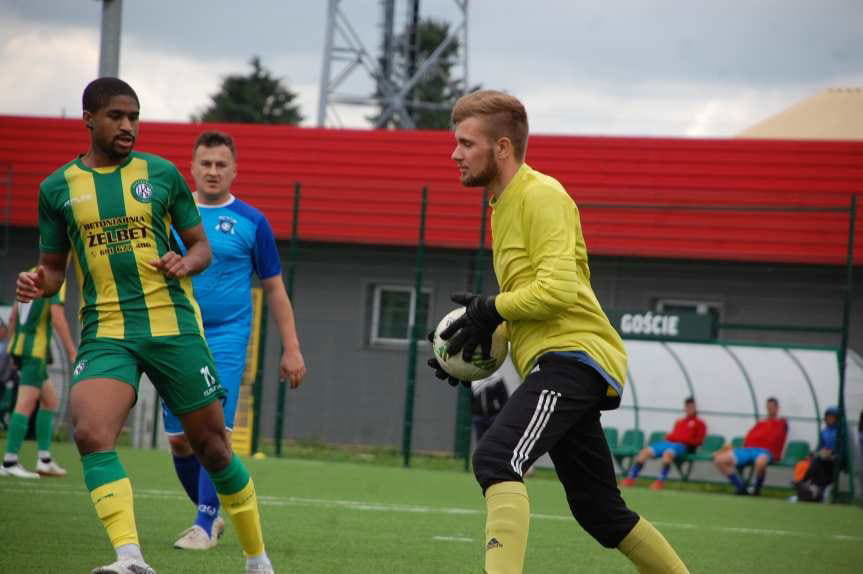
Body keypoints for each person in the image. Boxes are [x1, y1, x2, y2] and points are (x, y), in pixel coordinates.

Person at [17, 77, 273, 574]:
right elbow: (53, 269)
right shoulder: (56, 189)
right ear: (88, 118)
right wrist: (36, 281)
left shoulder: (160, 174)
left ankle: (257, 559)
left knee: (213, 447)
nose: (128, 125)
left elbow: (201, 247)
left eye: (134, 116)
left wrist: (187, 262)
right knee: (90, 431)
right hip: (108, 330)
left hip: (173, 326)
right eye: (116, 116)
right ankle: (130, 559)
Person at [428, 90, 688, 574]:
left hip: (573, 358)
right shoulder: (501, 205)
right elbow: (532, 298)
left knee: (496, 459)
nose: (455, 154)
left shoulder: (542, 194)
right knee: (601, 513)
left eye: (466, 143)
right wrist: (473, 343)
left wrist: (492, 307)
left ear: (501, 148)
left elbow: (558, 291)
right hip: (559, 361)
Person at [163, 130, 306, 551]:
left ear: (233, 170)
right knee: (179, 440)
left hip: (228, 336)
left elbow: (275, 288)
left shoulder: (252, 221)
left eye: (220, 164)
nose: (212, 171)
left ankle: (204, 524)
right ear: (191, 168)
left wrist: (291, 347)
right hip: (179, 335)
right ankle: (214, 510)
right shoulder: (170, 216)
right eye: (205, 164)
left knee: (216, 430)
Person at [0, 274, 76, 478]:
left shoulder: (28, 275)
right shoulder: (55, 278)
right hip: (35, 351)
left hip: (22, 347)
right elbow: (58, 317)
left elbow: (14, 316)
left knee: (50, 401)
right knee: (25, 403)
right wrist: (71, 351)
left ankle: (44, 459)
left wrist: (11, 346)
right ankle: (9, 461)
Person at [622, 397, 706, 490]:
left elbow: (699, 441)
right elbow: (671, 436)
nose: (690, 409)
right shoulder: (680, 422)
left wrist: (683, 439)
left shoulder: (700, 423)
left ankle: (660, 482)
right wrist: (673, 438)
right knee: (645, 452)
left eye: (692, 407)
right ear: (685, 408)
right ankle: (630, 478)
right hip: (669, 443)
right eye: (688, 407)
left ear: (695, 408)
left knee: (668, 454)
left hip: (683, 446)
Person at [713, 397, 788, 496]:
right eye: (768, 407)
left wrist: (780, 421)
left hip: (764, 452)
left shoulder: (781, 423)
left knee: (760, 462)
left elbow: (780, 435)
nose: (770, 409)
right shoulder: (760, 423)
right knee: (719, 459)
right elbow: (749, 437)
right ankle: (741, 487)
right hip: (748, 450)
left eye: (772, 407)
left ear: (777, 408)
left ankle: (756, 490)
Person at [793, 406, 842, 502]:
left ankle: (806, 483)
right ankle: (810, 488)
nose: (830, 419)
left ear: (837, 419)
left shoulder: (841, 433)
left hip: (834, 459)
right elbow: (819, 447)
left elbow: (842, 450)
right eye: (828, 417)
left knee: (818, 462)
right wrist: (816, 453)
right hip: (823, 458)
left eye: (832, 417)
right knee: (809, 461)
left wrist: (832, 453)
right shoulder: (824, 432)